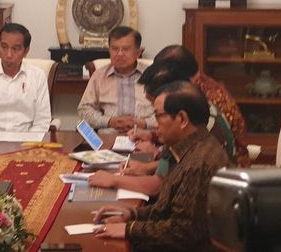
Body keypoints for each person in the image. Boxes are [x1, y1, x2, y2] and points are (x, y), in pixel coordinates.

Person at [93, 82, 229, 251]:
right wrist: (131, 214)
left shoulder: (199, 163)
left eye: (158, 116)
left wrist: (130, 229)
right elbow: (166, 209)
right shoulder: (190, 148)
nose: (155, 125)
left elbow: (181, 233)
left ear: (182, 119)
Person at [137, 45, 250, 167]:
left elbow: (195, 161)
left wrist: (155, 158)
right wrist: (154, 136)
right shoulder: (194, 90)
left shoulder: (201, 105)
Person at [77, 26, 155, 132]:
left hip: (146, 137)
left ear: (138, 53)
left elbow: (168, 113)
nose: (119, 54)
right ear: (109, 50)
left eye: (126, 49)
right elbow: (84, 110)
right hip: (108, 138)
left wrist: (143, 123)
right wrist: (109, 121)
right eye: (115, 49)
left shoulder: (153, 75)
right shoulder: (99, 76)